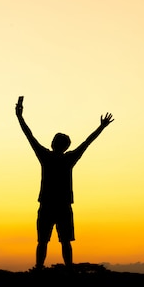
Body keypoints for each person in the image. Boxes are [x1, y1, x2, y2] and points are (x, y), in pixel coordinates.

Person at [15, 96, 114, 270]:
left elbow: (29, 135)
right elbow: (87, 142)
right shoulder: (68, 158)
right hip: (61, 206)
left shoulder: (46, 156)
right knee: (64, 241)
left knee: (43, 241)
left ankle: (39, 267)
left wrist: (20, 116)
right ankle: (66, 269)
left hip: (48, 205)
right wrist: (101, 127)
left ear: (53, 144)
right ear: (66, 146)